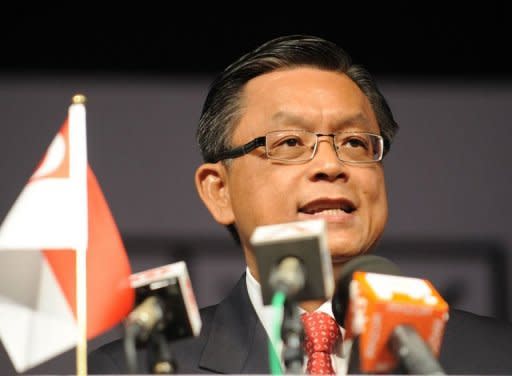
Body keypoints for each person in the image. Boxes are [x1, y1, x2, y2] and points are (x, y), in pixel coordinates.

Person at [88, 34, 512, 374]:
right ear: (219, 191)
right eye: (290, 143)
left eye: (354, 142)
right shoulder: (137, 368)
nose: (331, 164)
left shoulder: (492, 357)